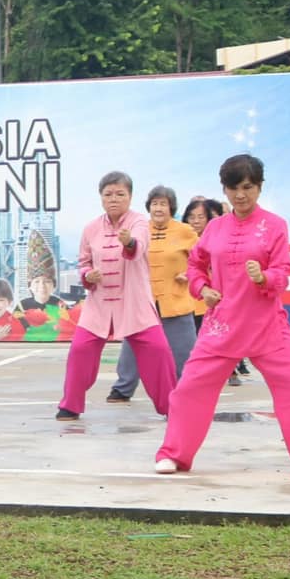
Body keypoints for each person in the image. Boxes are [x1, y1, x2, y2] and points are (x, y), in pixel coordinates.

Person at [155, 154, 290, 481]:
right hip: (221, 326)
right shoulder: (214, 229)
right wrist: (202, 289)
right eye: (233, 188)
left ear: (260, 187)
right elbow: (195, 266)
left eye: (248, 187)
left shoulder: (276, 225)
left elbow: (282, 273)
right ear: (224, 190)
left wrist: (263, 277)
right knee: (188, 390)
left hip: (267, 327)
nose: (241, 195)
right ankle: (174, 455)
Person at [55, 172, 176, 419]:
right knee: (80, 350)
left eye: (120, 194)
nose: (114, 199)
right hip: (99, 305)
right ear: (100, 198)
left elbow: (139, 246)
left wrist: (128, 242)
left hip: (135, 304)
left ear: (130, 197)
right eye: (108, 194)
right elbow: (83, 262)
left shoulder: (140, 222)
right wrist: (88, 275)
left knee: (158, 350)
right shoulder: (90, 228)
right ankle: (70, 404)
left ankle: (171, 407)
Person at [109, 186, 198, 403]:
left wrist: (189, 274)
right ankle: (122, 388)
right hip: (143, 298)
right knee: (132, 346)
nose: (159, 208)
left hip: (175, 299)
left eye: (163, 204)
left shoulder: (185, 231)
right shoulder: (139, 229)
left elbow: (203, 260)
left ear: (171, 208)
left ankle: (184, 391)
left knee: (183, 351)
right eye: (155, 204)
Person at [181, 196, 246, 387]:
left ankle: (231, 369)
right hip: (189, 298)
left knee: (221, 336)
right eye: (191, 216)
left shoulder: (218, 237)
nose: (195, 221)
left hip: (214, 298)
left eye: (200, 216)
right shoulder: (181, 236)